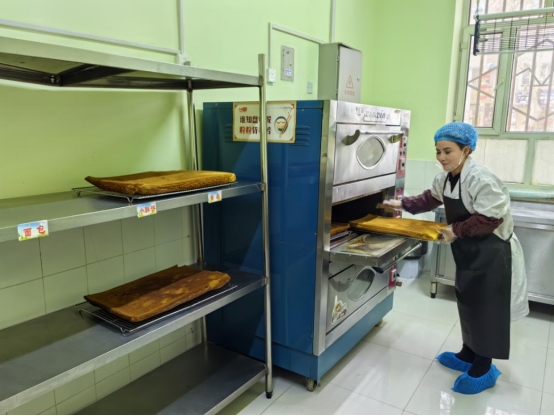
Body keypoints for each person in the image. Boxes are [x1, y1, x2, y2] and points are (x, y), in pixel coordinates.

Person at [380, 122, 529, 395]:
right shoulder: (445, 178)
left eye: (447, 151)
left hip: (493, 255)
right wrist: (402, 204)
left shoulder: (480, 179)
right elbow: (430, 199)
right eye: (438, 151)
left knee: (487, 310)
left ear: (466, 150)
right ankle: (468, 353)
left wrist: (454, 230)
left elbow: (490, 219)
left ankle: (484, 367)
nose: (441, 157)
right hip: (469, 253)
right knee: (468, 304)